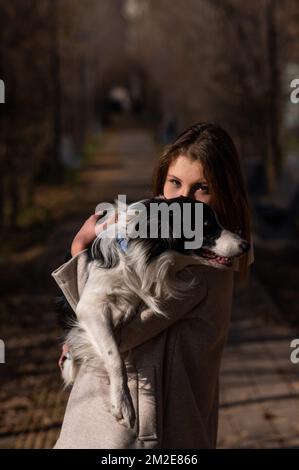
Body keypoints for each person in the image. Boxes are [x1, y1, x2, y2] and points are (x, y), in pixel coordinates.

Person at [52, 122, 254, 449]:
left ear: (224, 192)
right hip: (122, 424)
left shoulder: (196, 267)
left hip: (136, 434)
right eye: (175, 183)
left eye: (201, 189)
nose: (182, 200)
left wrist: (79, 250)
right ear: (161, 180)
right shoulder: (167, 244)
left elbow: (113, 332)